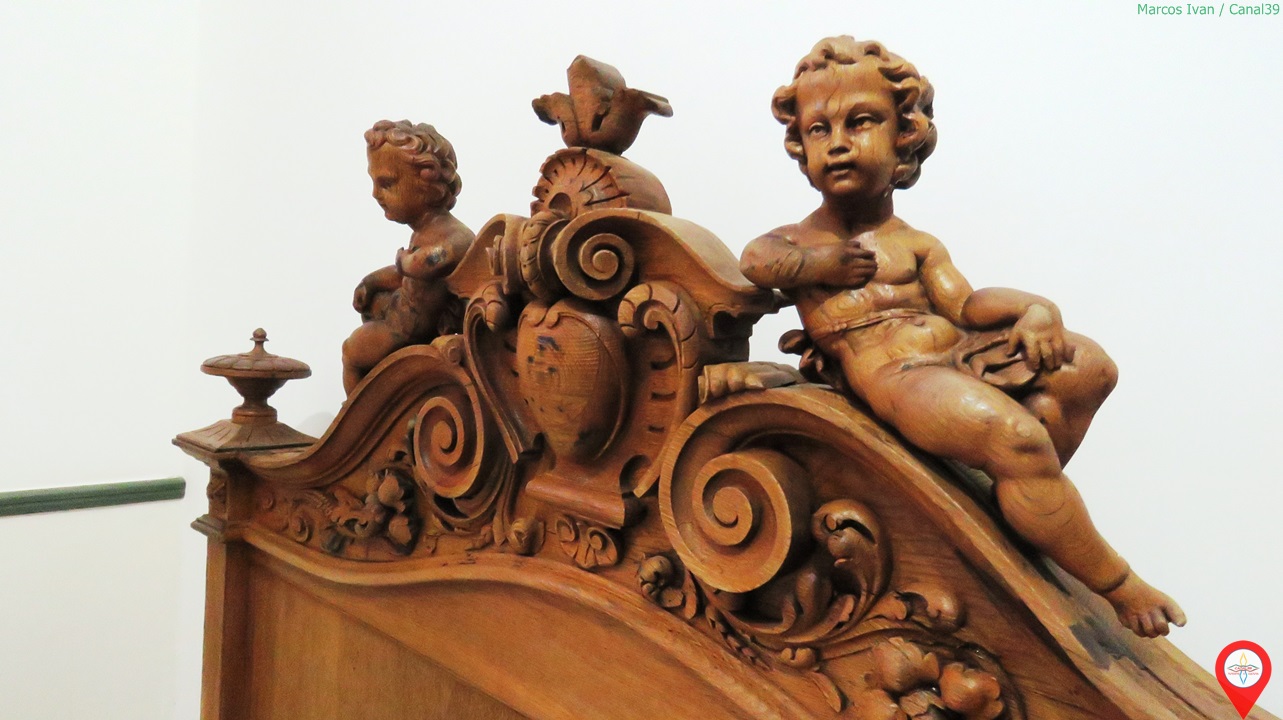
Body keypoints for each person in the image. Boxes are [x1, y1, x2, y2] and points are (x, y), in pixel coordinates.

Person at [740, 36, 1184, 638]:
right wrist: (820, 266)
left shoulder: (917, 243)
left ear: (905, 135)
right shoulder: (795, 240)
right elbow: (755, 263)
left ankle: (1022, 503)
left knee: (1088, 366)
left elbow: (967, 305)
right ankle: (1116, 582)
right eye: (819, 129)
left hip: (957, 354)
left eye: (860, 121)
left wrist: (1037, 311)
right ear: (800, 144)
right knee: (1017, 438)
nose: (838, 142)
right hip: (897, 378)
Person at [343, 120, 475, 394]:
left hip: (407, 329)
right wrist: (371, 282)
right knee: (373, 302)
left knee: (351, 352)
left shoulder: (454, 233)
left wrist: (407, 262)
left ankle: (362, 415)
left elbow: (433, 261)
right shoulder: (423, 232)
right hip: (405, 314)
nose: (375, 194)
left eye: (386, 183)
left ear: (426, 184)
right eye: (374, 182)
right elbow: (403, 275)